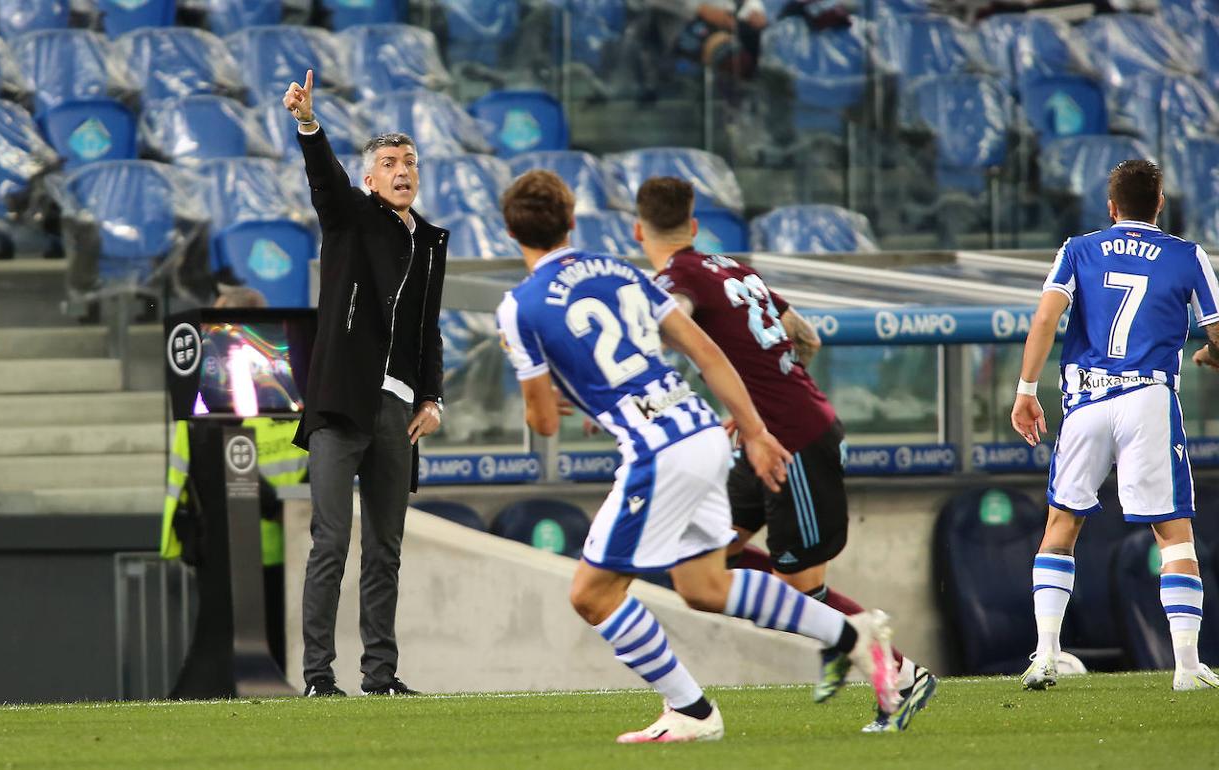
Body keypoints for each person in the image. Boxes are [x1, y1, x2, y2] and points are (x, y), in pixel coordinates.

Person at [494, 170, 900, 744]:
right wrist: (755, 433)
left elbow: (540, 424)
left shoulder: (519, 306)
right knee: (704, 586)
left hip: (657, 451)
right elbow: (708, 354)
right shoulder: (624, 272)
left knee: (591, 595)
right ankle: (852, 634)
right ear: (573, 222)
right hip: (704, 433)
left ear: (511, 234)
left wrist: (547, 391)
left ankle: (692, 710)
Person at [635, 176, 937, 732]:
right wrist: (756, 405)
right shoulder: (733, 268)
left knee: (804, 594)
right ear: (694, 225)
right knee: (707, 558)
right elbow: (806, 337)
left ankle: (902, 673)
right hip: (770, 435)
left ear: (637, 229)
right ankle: (871, 649)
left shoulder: (675, 279)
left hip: (791, 443)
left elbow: (673, 317)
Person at [1012, 159, 1219, 692]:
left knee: (1060, 528)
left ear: (1111, 207)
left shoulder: (1078, 248)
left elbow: (1045, 318)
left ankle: (1047, 655)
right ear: (1160, 205)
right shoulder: (1187, 255)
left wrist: (1026, 391)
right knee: (1173, 536)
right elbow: (1218, 333)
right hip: (1148, 397)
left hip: (1085, 397)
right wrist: (1210, 355)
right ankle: (1187, 667)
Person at [282, 70, 449, 697]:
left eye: (409, 161)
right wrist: (308, 124)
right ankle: (319, 678)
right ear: (371, 179)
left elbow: (427, 327)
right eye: (389, 162)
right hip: (339, 405)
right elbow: (324, 178)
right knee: (332, 541)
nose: (402, 169)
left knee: (387, 550)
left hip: (399, 412)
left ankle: (380, 675)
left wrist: (431, 396)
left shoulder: (431, 243)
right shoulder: (351, 217)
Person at [160, 286, 306, 670]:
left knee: (254, 649)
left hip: (241, 544)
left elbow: (182, 468)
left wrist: (182, 536)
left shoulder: (211, 395)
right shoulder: (289, 387)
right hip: (262, 545)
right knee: (265, 649)